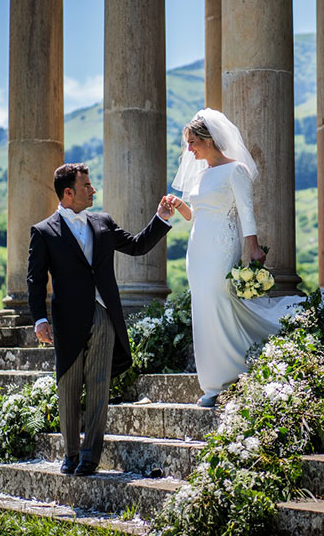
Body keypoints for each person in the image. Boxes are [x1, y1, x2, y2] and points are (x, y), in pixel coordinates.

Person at [28, 163, 173, 476]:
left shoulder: (103, 222)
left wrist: (161, 217)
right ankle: (70, 453)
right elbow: (35, 280)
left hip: (105, 313)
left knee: (98, 385)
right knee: (68, 385)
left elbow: (137, 245)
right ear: (69, 192)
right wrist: (40, 319)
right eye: (87, 186)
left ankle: (91, 455)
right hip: (67, 320)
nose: (93, 190)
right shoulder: (43, 232)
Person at [163, 109, 303, 408]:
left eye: (192, 143)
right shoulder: (201, 175)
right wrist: (179, 205)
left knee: (218, 300)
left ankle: (228, 376)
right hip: (197, 248)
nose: (188, 150)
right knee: (203, 308)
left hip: (221, 245)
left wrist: (252, 249)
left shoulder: (235, 170)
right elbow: (195, 214)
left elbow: (246, 212)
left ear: (209, 140)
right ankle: (213, 381)